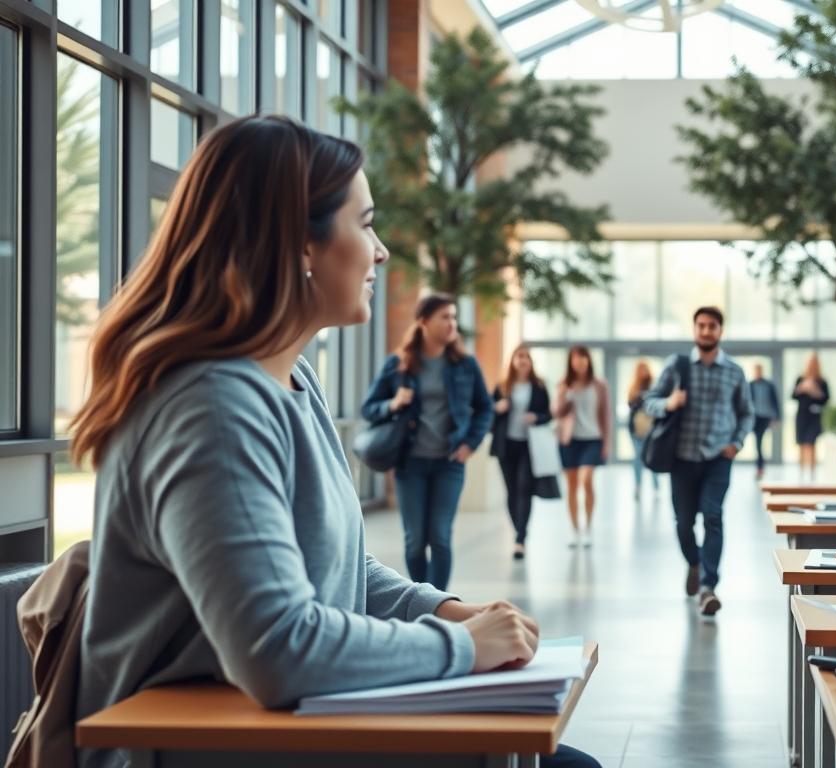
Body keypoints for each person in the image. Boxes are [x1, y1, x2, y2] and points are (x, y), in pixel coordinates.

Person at [68, 116, 598, 768]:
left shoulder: (292, 378)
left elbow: (338, 568)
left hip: (275, 733)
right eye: (366, 224)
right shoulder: (212, 407)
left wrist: (446, 611)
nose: (382, 252)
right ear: (300, 245)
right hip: (194, 749)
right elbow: (278, 650)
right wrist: (463, 648)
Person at [362, 293, 492, 591]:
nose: (452, 323)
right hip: (410, 463)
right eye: (444, 317)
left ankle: (437, 606)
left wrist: (470, 443)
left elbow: (484, 408)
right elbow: (368, 408)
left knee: (440, 537)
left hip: (450, 463)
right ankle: (423, 599)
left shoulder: (465, 364)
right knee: (415, 541)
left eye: (454, 317)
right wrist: (393, 403)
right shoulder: (398, 364)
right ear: (423, 321)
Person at [643, 306, 754, 616]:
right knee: (683, 523)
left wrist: (736, 443)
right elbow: (648, 402)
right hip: (681, 458)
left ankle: (708, 586)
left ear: (720, 331)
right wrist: (669, 403)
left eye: (712, 326)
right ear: (694, 330)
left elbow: (747, 413)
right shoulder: (676, 366)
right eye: (701, 325)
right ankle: (694, 562)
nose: (706, 331)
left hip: (718, 458)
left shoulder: (734, 371)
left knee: (713, 517)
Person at [491, 344, 552, 560]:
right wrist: (497, 408)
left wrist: (536, 417)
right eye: (519, 356)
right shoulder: (502, 386)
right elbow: (488, 411)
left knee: (524, 488)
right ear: (513, 361)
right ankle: (519, 529)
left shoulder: (539, 386)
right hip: (506, 445)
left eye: (526, 357)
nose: (522, 360)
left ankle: (520, 539)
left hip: (529, 445)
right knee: (511, 491)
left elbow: (548, 414)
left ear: (531, 362)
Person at [554, 345, 611, 548]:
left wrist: (607, 442)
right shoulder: (564, 384)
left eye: (583, 358)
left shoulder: (600, 385)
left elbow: (606, 414)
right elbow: (556, 413)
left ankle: (588, 526)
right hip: (569, 440)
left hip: (593, 439)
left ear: (588, 360)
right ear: (570, 362)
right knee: (571, 486)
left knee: (586, 480)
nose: (579, 362)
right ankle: (574, 529)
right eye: (576, 358)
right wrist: (565, 396)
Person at [792, 355, 830, 481]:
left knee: (811, 443)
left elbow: (826, 400)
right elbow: (793, 396)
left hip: (814, 417)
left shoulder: (822, 382)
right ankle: (801, 473)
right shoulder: (800, 379)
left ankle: (812, 474)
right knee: (801, 444)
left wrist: (815, 392)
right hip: (802, 416)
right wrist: (801, 388)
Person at [627, 359, 660, 501]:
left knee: (652, 457)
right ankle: (638, 486)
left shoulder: (655, 387)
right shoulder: (633, 388)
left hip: (651, 429)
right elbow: (631, 405)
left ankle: (656, 486)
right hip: (636, 429)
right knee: (638, 457)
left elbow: (657, 405)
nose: (643, 372)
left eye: (645, 369)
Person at [748, 364, 780, 480]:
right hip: (754, 417)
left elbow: (775, 402)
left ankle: (760, 467)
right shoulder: (750, 385)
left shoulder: (769, 385)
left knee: (759, 442)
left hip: (765, 417)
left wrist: (777, 418)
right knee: (758, 443)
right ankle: (760, 467)